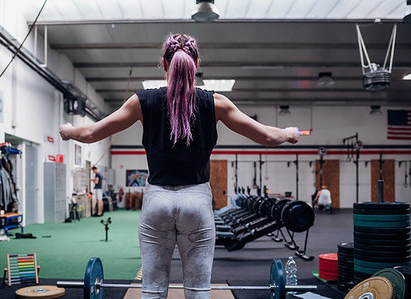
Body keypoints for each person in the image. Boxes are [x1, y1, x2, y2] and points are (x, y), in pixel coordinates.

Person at [60, 33, 299, 299]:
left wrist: (69, 131)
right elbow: (267, 136)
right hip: (196, 201)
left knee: (152, 289)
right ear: (196, 63)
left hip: (156, 201)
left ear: (164, 64)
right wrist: (289, 132)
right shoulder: (216, 102)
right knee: (198, 291)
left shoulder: (142, 101)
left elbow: (92, 133)